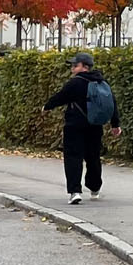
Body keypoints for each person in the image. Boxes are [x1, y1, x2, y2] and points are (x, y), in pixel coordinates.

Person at [44, 52, 122, 204]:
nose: (72, 69)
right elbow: (112, 103)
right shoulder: (102, 82)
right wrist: (115, 124)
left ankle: (75, 191)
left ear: (85, 67)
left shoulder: (76, 82)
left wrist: (46, 106)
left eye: (75, 65)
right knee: (93, 157)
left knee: (73, 157)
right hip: (95, 126)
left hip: (74, 126)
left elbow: (60, 97)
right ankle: (95, 188)